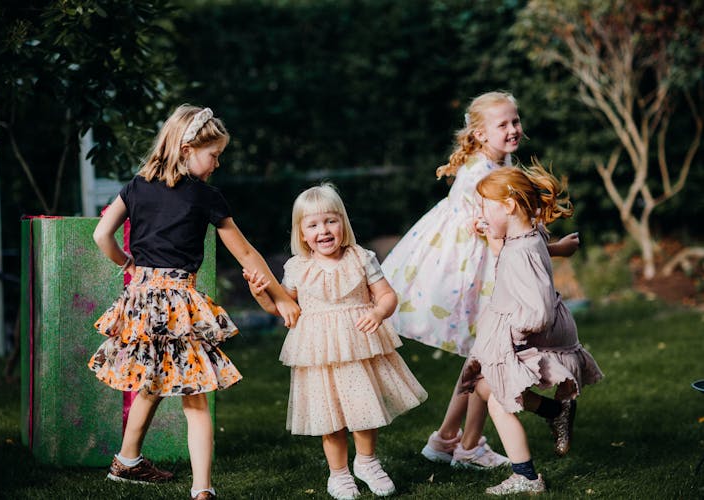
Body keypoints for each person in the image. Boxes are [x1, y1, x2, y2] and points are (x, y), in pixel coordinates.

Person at [88, 105, 300, 500]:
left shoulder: (136, 185)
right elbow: (248, 254)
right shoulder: (205, 197)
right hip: (176, 305)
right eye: (213, 155)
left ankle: (127, 462)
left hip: (141, 301)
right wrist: (283, 298)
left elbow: (103, 233)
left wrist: (127, 263)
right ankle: (202, 490)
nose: (216, 164)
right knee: (196, 396)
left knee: (149, 380)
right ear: (187, 148)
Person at [381, 91, 580, 469]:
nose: (513, 129)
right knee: (489, 356)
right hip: (480, 270)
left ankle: (448, 441)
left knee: (484, 356)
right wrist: (554, 250)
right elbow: (505, 238)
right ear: (480, 133)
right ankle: (466, 446)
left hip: (486, 263)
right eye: (502, 124)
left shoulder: (497, 162)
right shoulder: (480, 175)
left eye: (515, 121)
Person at [243, 184, 428, 500]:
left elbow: (386, 295)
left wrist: (380, 312)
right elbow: (283, 308)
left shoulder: (361, 258)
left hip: (358, 345)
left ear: (343, 223)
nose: (323, 230)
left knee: (364, 408)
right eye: (312, 225)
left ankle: (367, 462)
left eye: (330, 221)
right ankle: (339, 474)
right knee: (328, 416)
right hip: (318, 352)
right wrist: (260, 294)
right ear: (302, 233)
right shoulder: (297, 267)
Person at [456, 161, 603, 495]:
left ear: (508, 206)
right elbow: (515, 256)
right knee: (483, 387)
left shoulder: (521, 250)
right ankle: (555, 411)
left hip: (524, 333)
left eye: (485, 207)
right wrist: (495, 233)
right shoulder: (528, 232)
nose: (482, 214)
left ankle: (526, 477)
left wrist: (516, 335)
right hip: (518, 327)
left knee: (499, 400)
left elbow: (537, 309)